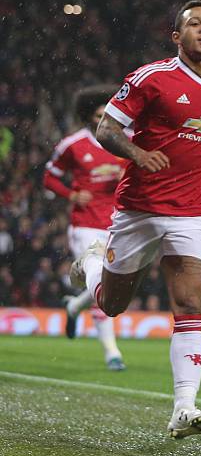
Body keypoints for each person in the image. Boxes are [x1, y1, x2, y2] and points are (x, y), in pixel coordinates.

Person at [70, 0, 201, 439]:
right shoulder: (151, 78)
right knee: (111, 305)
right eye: (194, 24)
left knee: (190, 304)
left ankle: (184, 406)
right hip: (137, 209)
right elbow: (107, 129)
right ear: (177, 37)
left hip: (191, 212)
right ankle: (91, 266)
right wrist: (138, 153)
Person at [43, 85, 126, 371]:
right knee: (102, 279)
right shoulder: (73, 145)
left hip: (118, 223)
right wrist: (72, 195)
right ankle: (112, 353)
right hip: (85, 225)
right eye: (98, 113)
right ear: (87, 116)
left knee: (115, 284)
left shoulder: (122, 142)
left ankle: (74, 306)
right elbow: (50, 177)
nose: (103, 118)